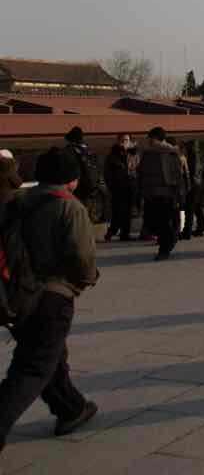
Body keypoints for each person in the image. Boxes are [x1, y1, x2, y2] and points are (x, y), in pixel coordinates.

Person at [0, 147, 100, 452]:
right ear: (71, 179)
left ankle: (71, 408)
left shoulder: (17, 201)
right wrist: (87, 279)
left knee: (48, 355)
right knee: (32, 366)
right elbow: (82, 258)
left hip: (18, 295)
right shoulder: (70, 207)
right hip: (52, 297)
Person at [137, 127, 186, 261]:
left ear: (155, 138)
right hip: (150, 194)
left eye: (150, 138)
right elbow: (141, 172)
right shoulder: (147, 154)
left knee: (163, 223)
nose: (148, 140)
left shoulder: (171, 153)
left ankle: (164, 249)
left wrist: (179, 194)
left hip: (166, 194)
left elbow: (178, 176)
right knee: (151, 223)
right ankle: (170, 239)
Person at [102, 134, 138, 242]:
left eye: (126, 140)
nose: (124, 142)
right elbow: (107, 172)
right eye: (122, 140)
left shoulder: (134, 154)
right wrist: (110, 186)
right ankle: (111, 232)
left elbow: (138, 169)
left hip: (130, 186)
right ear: (118, 141)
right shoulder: (113, 155)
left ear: (130, 142)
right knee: (117, 211)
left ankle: (125, 234)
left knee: (128, 212)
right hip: (117, 187)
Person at [63, 127, 99, 222]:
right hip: (91, 186)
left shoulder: (70, 150)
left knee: (76, 214)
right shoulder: (88, 149)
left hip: (77, 187)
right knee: (87, 212)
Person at [183, 141, 204, 238]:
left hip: (193, 185)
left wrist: (188, 184)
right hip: (198, 184)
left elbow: (191, 172)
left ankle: (187, 231)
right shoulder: (198, 157)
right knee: (197, 207)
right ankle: (201, 228)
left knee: (190, 208)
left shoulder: (192, 157)